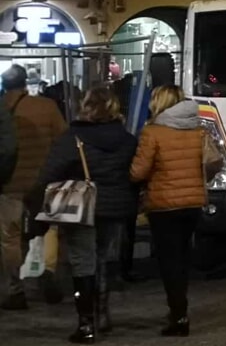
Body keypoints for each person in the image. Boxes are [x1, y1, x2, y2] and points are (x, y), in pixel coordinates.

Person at [31, 86, 137, 342]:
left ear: (86, 106)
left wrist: (33, 204)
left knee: (82, 263)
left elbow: (49, 173)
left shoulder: (73, 138)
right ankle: (102, 314)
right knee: (101, 258)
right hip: (114, 208)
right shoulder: (127, 139)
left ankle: (86, 323)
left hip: (80, 209)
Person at [131, 85, 207, 337]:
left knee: (169, 262)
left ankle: (178, 316)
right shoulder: (197, 129)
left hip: (164, 205)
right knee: (182, 258)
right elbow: (212, 162)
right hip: (193, 203)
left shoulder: (153, 132)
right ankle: (179, 308)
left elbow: (138, 172)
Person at [1, 64, 66, 309]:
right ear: (24, 83)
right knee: (49, 228)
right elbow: (63, 139)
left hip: (10, 183)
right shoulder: (47, 107)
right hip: (44, 181)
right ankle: (47, 272)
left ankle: (15, 289)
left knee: (11, 237)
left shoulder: (2, 108)